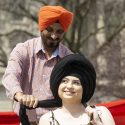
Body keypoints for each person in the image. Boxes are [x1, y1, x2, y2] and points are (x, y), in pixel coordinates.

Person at [2, 6, 73, 125]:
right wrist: (20, 96)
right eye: (49, 30)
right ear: (41, 28)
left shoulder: (69, 58)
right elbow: (10, 76)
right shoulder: (23, 50)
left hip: (57, 121)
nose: (54, 36)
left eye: (59, 31)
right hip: (25, 120)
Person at [39, 54, 116, 125]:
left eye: (76, 83)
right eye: (64, 81)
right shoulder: (47, 120)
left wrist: (98, 123)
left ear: (85, 88)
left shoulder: (101, 113)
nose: (69, 86)